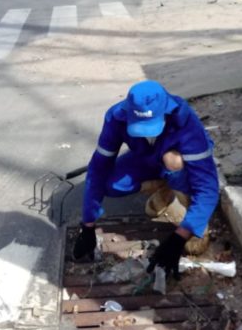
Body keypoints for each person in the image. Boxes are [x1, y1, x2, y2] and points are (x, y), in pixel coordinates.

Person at [72, 80, 219, 279]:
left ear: (165, 112)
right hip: (147, 158)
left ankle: (189, 207)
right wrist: (87, 225)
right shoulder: (117, 117)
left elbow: (208, 189)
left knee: (173, 163)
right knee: (109, 183)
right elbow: (98, 168)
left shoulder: (186, 124)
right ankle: (164, 187)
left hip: (178, 163)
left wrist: (179, 238)